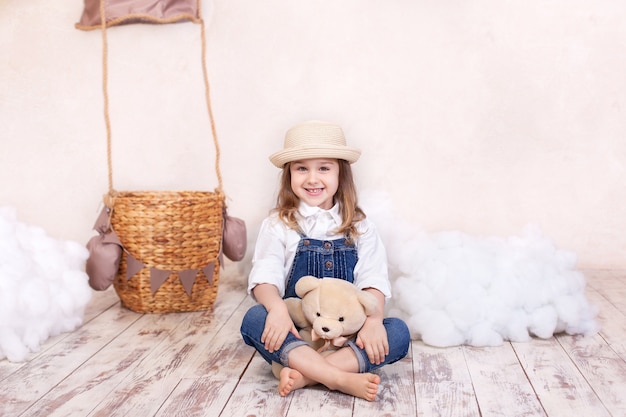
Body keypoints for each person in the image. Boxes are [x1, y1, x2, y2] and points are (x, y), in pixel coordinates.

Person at [240, 120, 410, 402]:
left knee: (398, 332)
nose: (312, 178)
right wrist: (277, 311)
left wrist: (374, 320)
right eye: (301, 168)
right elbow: (264, 278)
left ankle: (306, 375)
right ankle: (339, 378)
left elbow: (373, 279)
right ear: (289, 174)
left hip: (345, 336)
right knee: (255, 318)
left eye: (324, 168)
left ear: (340, 173)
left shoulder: (360, 226)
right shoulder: (279, 224)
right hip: (298, 332)